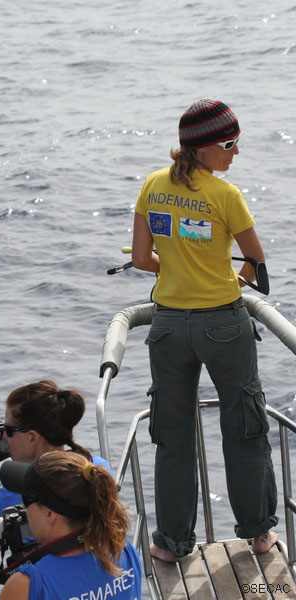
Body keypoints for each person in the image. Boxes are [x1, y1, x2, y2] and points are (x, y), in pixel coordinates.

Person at [132, 98, 278, 562]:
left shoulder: (153, 185)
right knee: (245, 427)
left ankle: (172, 544)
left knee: (172, 436)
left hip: (169, 327)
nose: (235, 153)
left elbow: (140, 260)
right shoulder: (225, 195)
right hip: (223, 324)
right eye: (229, 144)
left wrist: (176, 273)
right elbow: (256, 264)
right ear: (202, 149)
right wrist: (228, 280)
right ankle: (257, 534)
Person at [0, 380, 111, 559]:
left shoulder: (20, 492)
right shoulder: (96, 468)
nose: (3, 437)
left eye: (8, 429)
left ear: (33, 437)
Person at [0, 451, 142, 599]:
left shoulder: (28, 584)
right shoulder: (123, 550)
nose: (22, 508)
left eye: (26, 500)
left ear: (49, 514)